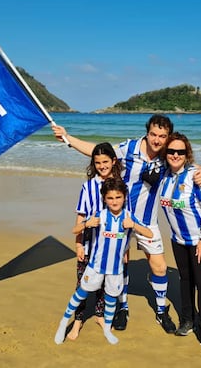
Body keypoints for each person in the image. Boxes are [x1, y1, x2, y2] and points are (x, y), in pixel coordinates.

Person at [52, 114, 201, 333]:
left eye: (162, 136)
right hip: (120, 217)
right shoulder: (129, 148)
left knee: (160, 266)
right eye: (154, 134)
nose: (157, 140)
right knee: (121, 263)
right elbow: (100, 152)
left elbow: (188, 165)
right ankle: (123, 307)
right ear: (147, 132)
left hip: (147, 221)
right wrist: (68, 138)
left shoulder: (167, 155)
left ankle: (161, 310)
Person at [54, 177, 152, 345]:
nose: (115, 201)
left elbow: (150, 234)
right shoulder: (100, 216)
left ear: (124, 197)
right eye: (110, 198)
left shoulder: (129, 217)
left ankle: (107, 329)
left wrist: (134, 226)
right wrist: (87, 223)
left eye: (118, 197)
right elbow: (74, 229)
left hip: (116, 269)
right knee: (81, 294)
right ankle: (63, 323)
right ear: (104, 199)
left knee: (111, 298)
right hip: (95, 267)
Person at [159, 132, 201, 356]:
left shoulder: (196, 176)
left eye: (180, 152)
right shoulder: (163, 175)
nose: (175, 155)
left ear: (187, 155)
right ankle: (187, 320)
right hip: (178, 240)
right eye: (171, 151)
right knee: (185, 281)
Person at [66, 142, 123, 340]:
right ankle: (78, 321)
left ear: (113, 161)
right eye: (98, 162)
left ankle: (99, 315)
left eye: (105, 161)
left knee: (104, 284)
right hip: (90, 244)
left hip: (111, 247)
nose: (102, 166)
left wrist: (125, 252)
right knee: (82, 284)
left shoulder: (121, 186)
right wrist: (79, 244)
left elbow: (127, 221)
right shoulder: (88, 187)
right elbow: (81, 216)